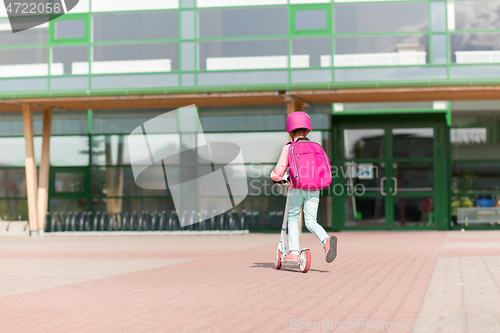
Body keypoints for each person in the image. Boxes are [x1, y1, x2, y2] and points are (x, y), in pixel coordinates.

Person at [270, 111, 337, 263]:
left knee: (293, 219)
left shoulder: (289, 148)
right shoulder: (316, 147)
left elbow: (279, 170)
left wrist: (277, 178)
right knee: (311, 221)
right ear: (307, 130)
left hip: (296, 187)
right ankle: (326, 241)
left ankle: (293, 252)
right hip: (314, 188)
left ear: (290, 131)